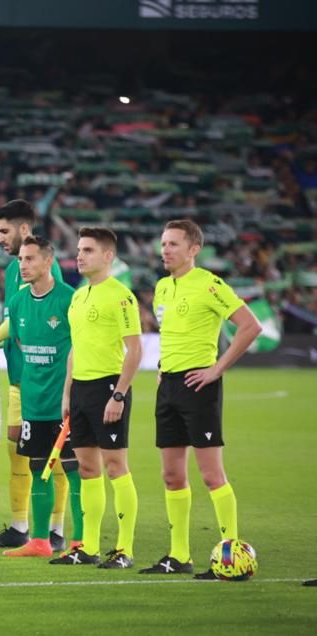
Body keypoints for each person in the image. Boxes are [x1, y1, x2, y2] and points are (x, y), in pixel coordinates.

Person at [139, 220, 261, 579]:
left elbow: (250, 325)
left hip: (199, 386)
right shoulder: (162, 287)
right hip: (169, 386)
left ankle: (233, 556)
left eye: (174, 244)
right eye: (163, 243)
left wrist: (217, 369)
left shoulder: (209, 284)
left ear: (193, 249)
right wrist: (164, 366)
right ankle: (179, 556)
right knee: (171, 475)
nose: (165, 250)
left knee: (211, 475)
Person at [52, 227, 142, 569]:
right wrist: (67, 392)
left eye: (87, 250)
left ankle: (124, 549)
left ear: (108, 256)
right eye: (79, 249)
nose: (79, 255)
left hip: (108, 388)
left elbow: (135, 349)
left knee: (116, 467)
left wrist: (119, 394)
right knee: (88, 469)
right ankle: (88, 547)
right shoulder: (79, 296)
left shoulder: (121, 296)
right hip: (81, 391)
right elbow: (75, 347)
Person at [0, 199, 68, 550]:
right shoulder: (14, 270)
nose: (0, 239)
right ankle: (21, 524)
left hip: (43, 381)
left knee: (55, 454)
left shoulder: (48, 273)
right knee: (18, 450)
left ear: (25, 230)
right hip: (19, 376)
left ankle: (55, 527)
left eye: (5, 231)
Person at [1, 237, 82, 558]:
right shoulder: (18, 303)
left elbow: (80, 347)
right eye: (21, 258)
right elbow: (22, 345)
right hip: (32, 401)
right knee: (38, 468)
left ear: (48, 263)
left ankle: (80, 541)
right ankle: (38, 540)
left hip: (64, 401)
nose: (22, 264)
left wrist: (70, 392)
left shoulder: (68, 299)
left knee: (76, 470)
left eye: (30, 259)